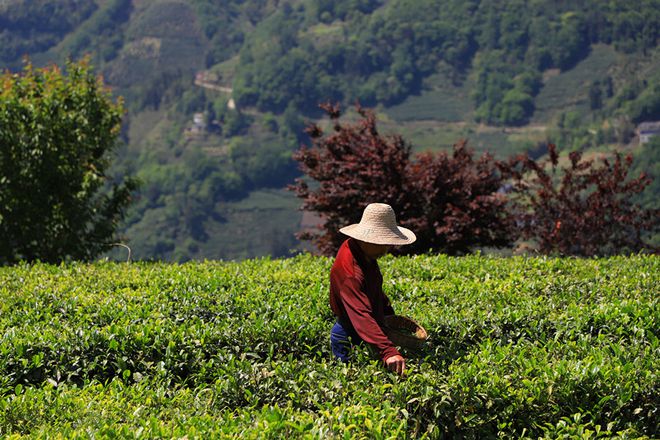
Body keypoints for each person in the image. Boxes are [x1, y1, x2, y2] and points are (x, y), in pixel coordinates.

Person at [329, 203, 416, 375]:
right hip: (349, 335)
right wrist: (388, 351)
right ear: (365, 239)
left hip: (369, 332)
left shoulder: (363, 253)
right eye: (381, 243)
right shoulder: (351, 273)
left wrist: (388, 314)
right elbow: (360, 314)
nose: (386, 248)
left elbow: (373, 289)